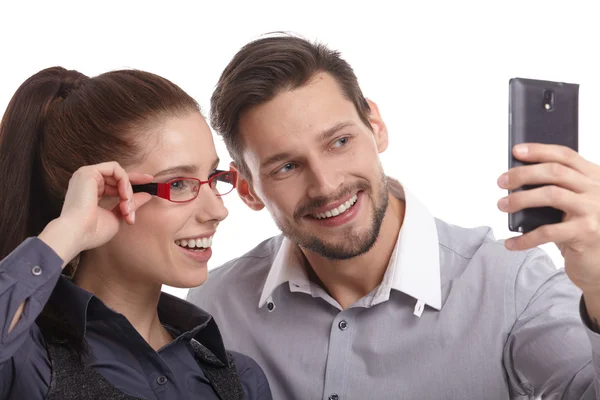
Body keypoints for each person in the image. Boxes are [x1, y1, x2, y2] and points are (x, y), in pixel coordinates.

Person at [188, 33, 600, 399]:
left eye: (340, 141)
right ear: (247, 190)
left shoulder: (514, 284)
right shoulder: (215, 308)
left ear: (376, 126)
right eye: (286, 167)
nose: (327, 186)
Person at [0, 67, 272, 399]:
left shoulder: (240, 381)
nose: (218, 211)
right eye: (178, 183)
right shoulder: (27, 361)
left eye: (212, 178)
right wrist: (69, 230)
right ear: (99, 193)